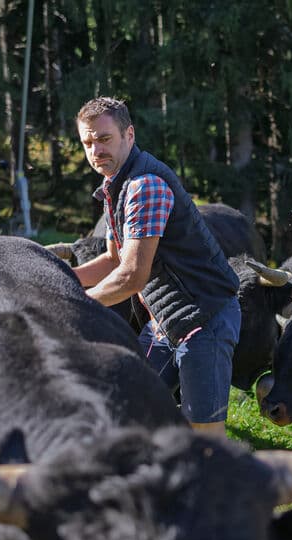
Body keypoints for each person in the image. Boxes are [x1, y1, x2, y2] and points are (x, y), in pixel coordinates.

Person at [71, 97, 241, 438]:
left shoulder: (143, 185)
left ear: (128, 135)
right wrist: (57, 277)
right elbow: (113, 260)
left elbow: (133, 274)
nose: (95, 151)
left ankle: (219, 488)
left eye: (104, 139)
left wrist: (78, 304)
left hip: (202, 321)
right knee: (129, 408)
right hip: (165, 322)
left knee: (205, 435)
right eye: (88, 143)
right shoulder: (114, 186)